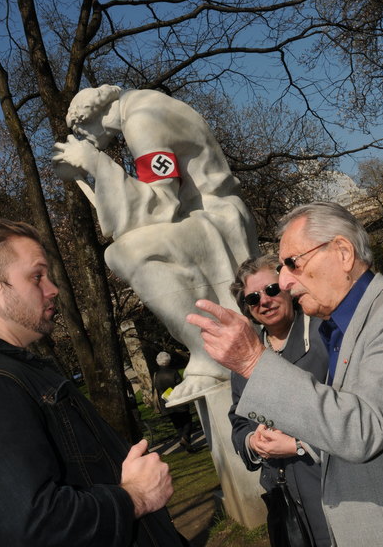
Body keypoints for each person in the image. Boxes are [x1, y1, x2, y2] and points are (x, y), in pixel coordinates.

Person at [186, 201, 383, 547]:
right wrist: (254, 442)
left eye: (292, 264)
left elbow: (361, 428)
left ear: (343, 252)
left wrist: (254, 364)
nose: (285, 282)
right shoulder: (339, 329)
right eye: (254, 297)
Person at [0, 218, 188, 547]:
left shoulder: (23, 374)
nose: (52, 289)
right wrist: (135, 497)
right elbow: (34, 528)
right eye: (37, 276)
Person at [52, 85, 260, 400]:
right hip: (210, 217)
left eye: (82, 130)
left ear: (93, 116)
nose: (86, 138)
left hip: (216, 220)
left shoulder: (141, 120)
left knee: (128, 252)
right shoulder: (145, 105)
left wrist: (95, 163)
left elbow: (160, 205)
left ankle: (210, 356)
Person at [228, 254, 330, 546]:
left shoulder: (324, 335)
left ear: (288, 287)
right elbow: (238, 420)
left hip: (329, 490)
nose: (264, 301)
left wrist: (299, 446)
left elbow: (353, 417)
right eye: (253, 298)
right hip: (284, 500)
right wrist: (252, 443)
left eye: (271, 290)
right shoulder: (246, 354)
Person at [154, 351, 194, 452]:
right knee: (187, 420)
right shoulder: (173, 372)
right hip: (177, 400)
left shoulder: (156, 375)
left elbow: (157, 387)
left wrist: (166, 395)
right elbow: (180, 386)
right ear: (169, 360)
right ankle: (185, 438)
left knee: (178, 424)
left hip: (166, 402)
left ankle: (186, 444)